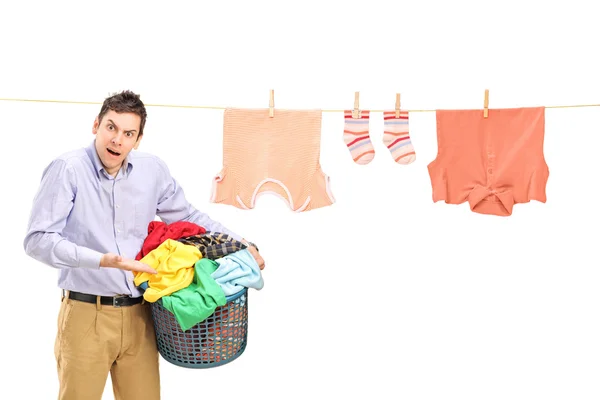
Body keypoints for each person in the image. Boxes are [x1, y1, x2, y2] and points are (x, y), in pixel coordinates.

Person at [23, 90, 265, 400]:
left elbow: (188, 216)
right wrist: (101, 260)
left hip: (142, 313)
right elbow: (37, 240)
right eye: (111, 127)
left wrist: (241, 243)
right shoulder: (67, 169)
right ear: (95, 125)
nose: (117, 140)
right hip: (87, 314)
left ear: (138, 139)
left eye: (128, 133)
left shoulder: (152, 170)